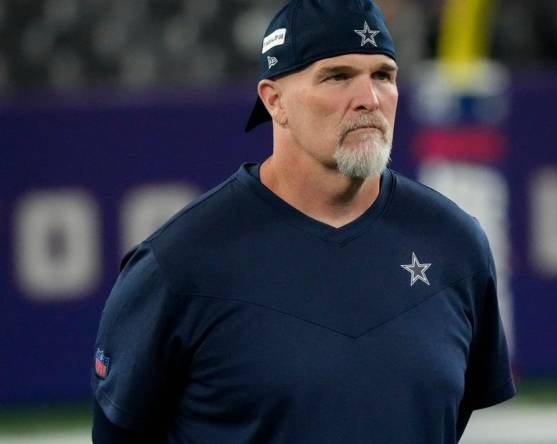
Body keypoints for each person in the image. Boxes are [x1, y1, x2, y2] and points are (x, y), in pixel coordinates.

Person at [90, 1, 515, 442]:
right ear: (274, 101)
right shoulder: (177, 263)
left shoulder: (455, 244)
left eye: (383, 75)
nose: (369, 99)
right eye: (337, 76)